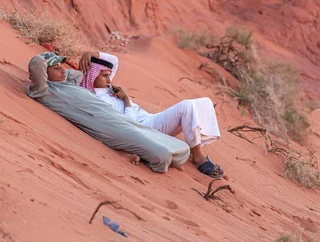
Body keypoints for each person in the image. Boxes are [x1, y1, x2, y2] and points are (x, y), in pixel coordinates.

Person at [27, 52, 190, 173]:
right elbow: (37, 62)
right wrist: (44, 60)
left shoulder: (68, 83)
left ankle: (149, 154)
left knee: (183, 148)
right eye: (56, 68)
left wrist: (58, 68)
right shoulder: (45, 91)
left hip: (117, 117)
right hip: (108, 127)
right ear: (43, 74)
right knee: (162, 154)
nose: (63, 71)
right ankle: (150, 159)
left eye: (62, 67)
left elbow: (77, 74)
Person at [79, 51, 224, 179]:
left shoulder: (105, 86)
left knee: (205, 102)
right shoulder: (98, 100)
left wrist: (90, 54)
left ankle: (195, 137)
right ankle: (198, 157)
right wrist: (126, 100)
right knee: (187, 106)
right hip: (145, 129)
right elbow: (126, 126)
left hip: (150, 119)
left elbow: (114, 60)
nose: (110, 80)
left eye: (109, 75)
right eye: (105, 76)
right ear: (92, 75)